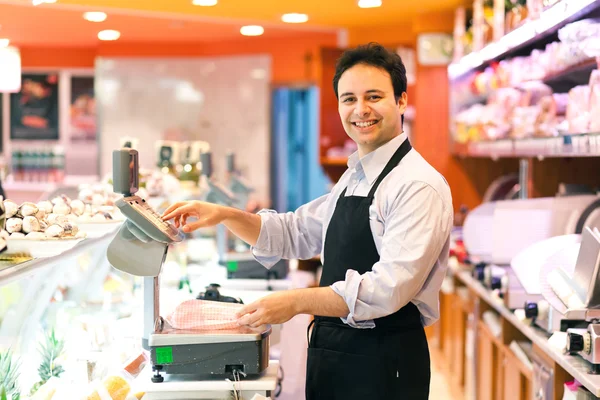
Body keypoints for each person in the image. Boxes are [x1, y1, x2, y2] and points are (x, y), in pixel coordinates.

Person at [162, 42, 453, 399]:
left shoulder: (417, 185)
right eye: (348, 99)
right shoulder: (355, 176)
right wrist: (223, 214)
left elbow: (387, 289)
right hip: (334, 353)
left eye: (373, 96)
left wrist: (297, 301)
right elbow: (294, 232)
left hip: (383, 362)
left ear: (402, 101)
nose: (360, 110)